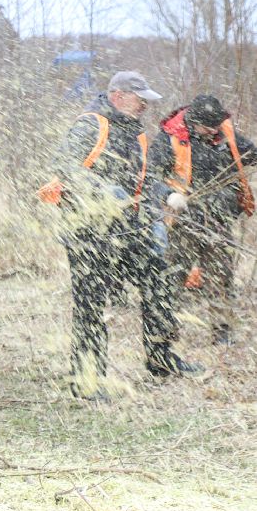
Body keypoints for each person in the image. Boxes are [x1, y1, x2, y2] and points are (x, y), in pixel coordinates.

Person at [48, 71, 199, 399]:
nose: (144, 104)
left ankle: (161, 358)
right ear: (118, 96)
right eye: (139, 97)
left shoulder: (137, 134)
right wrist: (102, 189)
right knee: (92, 303)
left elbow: (140, 181)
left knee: (159, 280)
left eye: (146, 98)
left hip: (129, 229)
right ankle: (87, 380)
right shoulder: (91, 124)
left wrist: (166, 193)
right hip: (88, 231)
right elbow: (63, 166)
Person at [153, 93, 256, 346]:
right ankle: (165, 330)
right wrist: (169, 195)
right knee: (174, 275)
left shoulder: (224, 132)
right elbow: (147, 175)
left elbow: (251, 154)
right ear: (193, 122)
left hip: (219, 219)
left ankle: (222, 333)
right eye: (207, 128)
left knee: (221, 276)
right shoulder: (170, 137)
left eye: (215, 127)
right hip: (183, 220)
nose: (213, 132)